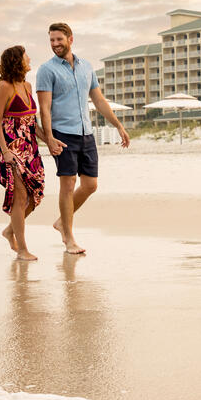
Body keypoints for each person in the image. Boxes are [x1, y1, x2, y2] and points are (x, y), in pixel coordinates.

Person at [36, 22, 130, 254]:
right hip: (62, 134)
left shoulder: (86, 67)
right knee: (67, 185)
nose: (55, 44)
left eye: (59, 39)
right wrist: (48, 138)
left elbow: (98, 101)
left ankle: (61, 222)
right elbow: (44, 108)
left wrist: (118, 125)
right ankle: (68, 237)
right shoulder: (46, 70)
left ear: (70, 39)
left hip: (85, 133)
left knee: (90, 185)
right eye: (51, 40)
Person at [0, 45, 45, 261]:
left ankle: (9, 231)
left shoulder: (28, 86)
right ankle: (22, 249)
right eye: (26, 56)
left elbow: (32, 122)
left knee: (35, 194)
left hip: (30, 148)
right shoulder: (4, 87)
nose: (30, 58)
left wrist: (49, 141)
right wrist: (5, 151)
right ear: (17, 61)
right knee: (20, 196)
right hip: (11, 148)